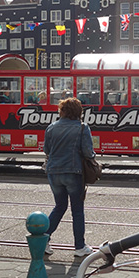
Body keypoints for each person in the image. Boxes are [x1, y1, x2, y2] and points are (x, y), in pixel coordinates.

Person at [43, 97, 95, 257]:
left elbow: (47, 150)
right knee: (77, 211)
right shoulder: (82, 128)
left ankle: (44, 239)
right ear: (79, 112)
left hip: (53, 172)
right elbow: (88, 152)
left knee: (60, 206)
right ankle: (80, 247)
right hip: (73, 172)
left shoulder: (51, 127)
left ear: (63, 111)